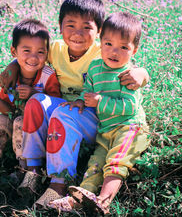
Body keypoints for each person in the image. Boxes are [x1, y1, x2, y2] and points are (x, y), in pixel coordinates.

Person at [0, 0, 150, 207]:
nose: (77, 34)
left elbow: (131, 67)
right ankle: (31, 170)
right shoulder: (57, 49)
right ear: (60, 27)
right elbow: (33, 55)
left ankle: (58, 183)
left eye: (87, 27)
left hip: (95, 118)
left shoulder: (104, 51)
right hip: (69, 108)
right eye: (70, 25)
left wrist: (142, 74)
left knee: (63, 113)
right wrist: (13, 66)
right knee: (37, 101)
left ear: (99, 32)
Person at [48, 12, 150, 214]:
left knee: (116, 162)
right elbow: (89, 89)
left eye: (123, 47)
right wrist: (81, 100)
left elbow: (129, 107)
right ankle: (78, 198)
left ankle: (103, 202)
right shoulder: (95, 67)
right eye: (109, 44)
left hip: (129, 128)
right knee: (95, 164)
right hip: (105, 130)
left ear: (134, 50)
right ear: (100, 42)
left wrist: (100, 101)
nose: (114, 52)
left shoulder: (128, 75)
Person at [0, 19, 61, 168]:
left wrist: (34, 94)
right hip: (16, 123)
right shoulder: (11, 76)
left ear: (47, 54)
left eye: (40, 52)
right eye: (27, 51)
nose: (34, 57)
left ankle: (23, 167)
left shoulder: (48, 76)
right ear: (14, 52)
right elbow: (8, 111)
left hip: (40, 129)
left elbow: (56, 106)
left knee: (20, 122)